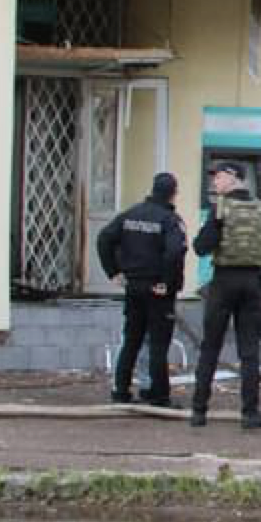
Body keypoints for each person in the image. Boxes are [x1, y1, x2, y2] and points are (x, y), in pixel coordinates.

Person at [190, 162, 261, 429]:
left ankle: (199, 411)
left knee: (210, 346)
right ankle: (250, 413)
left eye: (218, 177)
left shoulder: (219, 209)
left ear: (234, 179)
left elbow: (201, 248)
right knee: (250, 350)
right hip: (254, 283)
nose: (214, 183)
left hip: (224, 282)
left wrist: (216, 224)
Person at [95, 172, 187, 407]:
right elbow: (175, 251)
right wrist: (166, 281)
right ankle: (158, 394)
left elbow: (104, 238)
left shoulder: (130, 214)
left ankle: (121, 390)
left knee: (132, 340)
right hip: (158, 290)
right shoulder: (170, 220)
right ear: (173, 193)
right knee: (158, 343)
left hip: (133, 286)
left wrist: (113, 271)